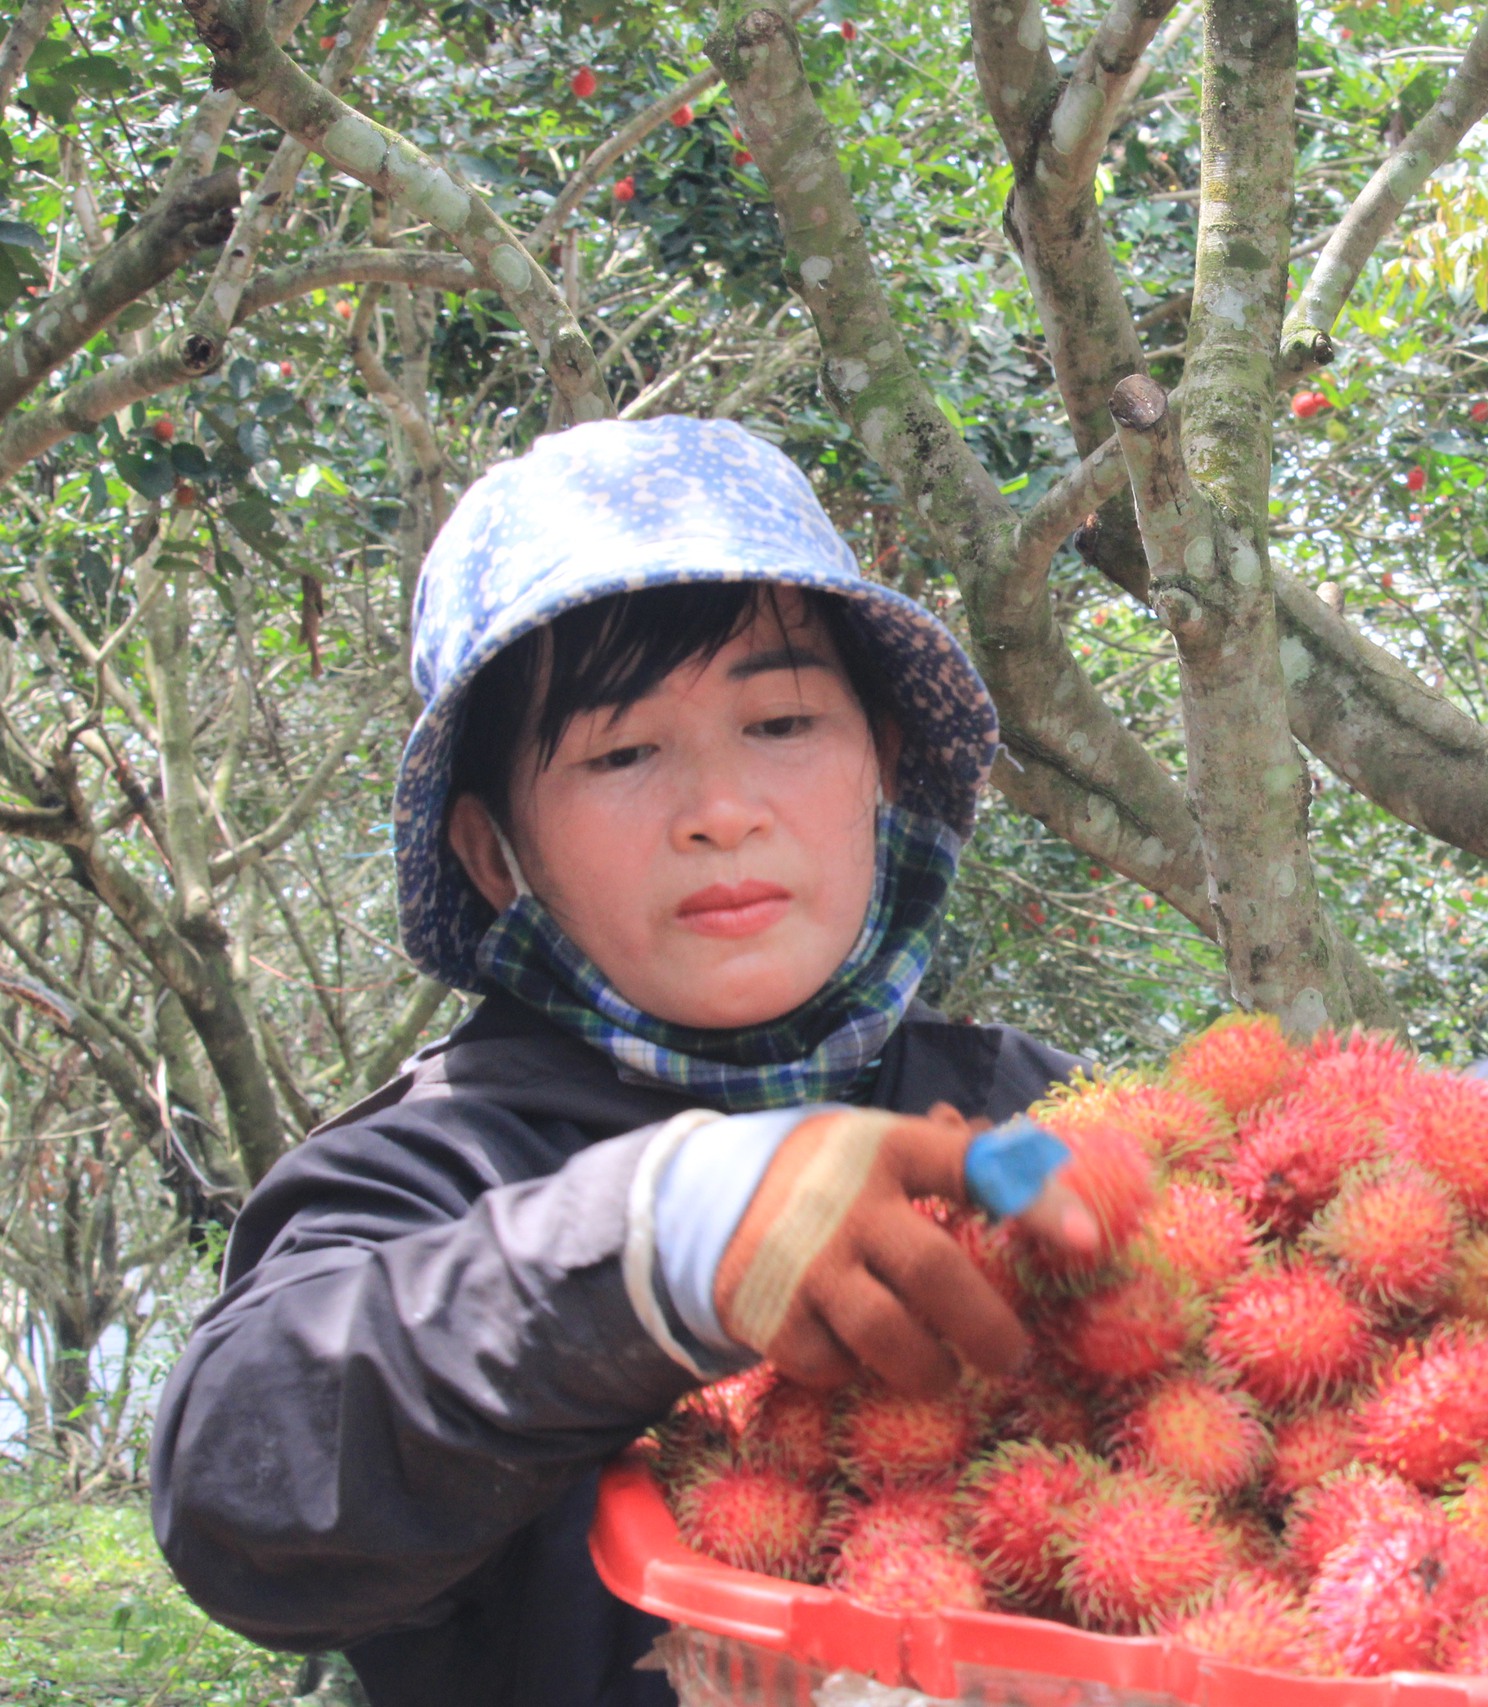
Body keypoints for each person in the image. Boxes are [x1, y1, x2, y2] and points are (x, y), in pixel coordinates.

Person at [151, 417, 1100, 1707]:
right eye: (620, 751)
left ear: (877, 763)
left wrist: (1430, 1167)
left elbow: (1175, 1221)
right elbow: (240, 1485)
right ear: (496, 857)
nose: (721, 807)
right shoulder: (427, 1173)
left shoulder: (1006, 1108)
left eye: (780, 721)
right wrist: (654, 1243)